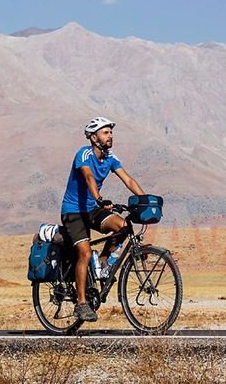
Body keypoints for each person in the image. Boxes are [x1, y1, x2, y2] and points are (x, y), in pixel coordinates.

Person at [60, 116, 145, 322]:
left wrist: (145, 201)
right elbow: (89, 177)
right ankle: (81, 303)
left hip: (92, 210)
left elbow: (128, 179)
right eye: (106, 132)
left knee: (124, 226)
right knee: (85, 252)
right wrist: (98, 198)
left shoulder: (110, 157)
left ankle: (104, 263)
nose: (110, 136)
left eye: (111, 132)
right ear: (93, 137)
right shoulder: (84, 154)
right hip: (73, 212)